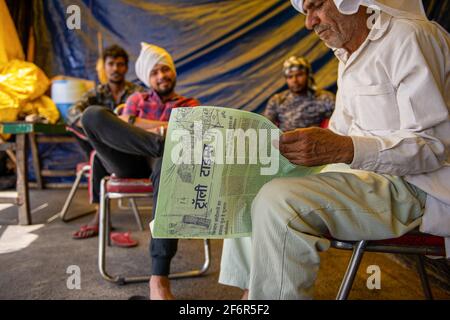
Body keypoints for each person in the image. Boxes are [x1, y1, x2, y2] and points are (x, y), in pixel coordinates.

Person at [219, 0, 450, 299]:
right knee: (249, 185)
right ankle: (254, 294)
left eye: (315, 6)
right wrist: (285, 150)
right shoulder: (346, 57)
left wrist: (344, 148)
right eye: (305, 12)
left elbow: (431, 149)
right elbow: (341, 133)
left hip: (415, 186)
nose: (309, 22)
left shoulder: (410, 37)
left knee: (278, 201)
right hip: (361, 176)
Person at [79, 42, 200, 299]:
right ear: (147, 77)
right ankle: (160, 144)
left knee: (170, 158)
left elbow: (193, 131)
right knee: (92, 115)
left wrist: (137, 123)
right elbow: (120, 125)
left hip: (167, 162)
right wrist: (165, 130)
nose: (161, 76)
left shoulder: (189, 103)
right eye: (154, 72)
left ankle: (159, 279)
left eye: (165, 70)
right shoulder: (135, 99)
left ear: (173, 72)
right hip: (129, 161)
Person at [67, 44, 144, 158]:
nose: (115, 69)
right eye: (111, 64)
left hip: (130, 148)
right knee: (75, 124)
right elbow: (72, 111)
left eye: (120, 64)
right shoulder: (98, 92)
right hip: (102, 146)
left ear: (126, 68)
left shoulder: (137, 93)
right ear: (104, 67)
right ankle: (96, 158)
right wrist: (91, 125)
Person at [264, 56, 335, 132]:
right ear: (286, 79)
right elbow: (265, 128)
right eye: (290, 77)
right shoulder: (277, 100)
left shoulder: (324, 98)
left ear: (308, 75)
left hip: (314, 142)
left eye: (299, 75)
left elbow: (342, 121)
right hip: (284, 141)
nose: (294, 80)